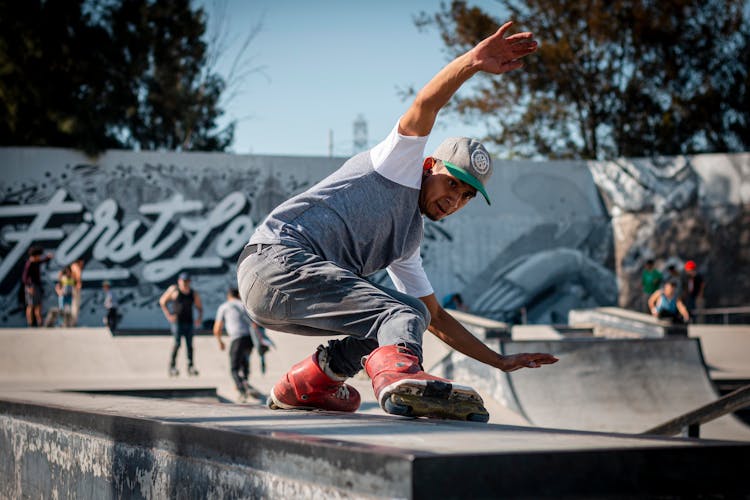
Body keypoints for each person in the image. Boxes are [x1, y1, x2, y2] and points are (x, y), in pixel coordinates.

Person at [237, 21, 558, 421]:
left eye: (465, 197)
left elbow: (437, 318)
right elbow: (427, 103)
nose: (453, 201)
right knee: (400, 316)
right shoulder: (398, 163)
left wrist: (498, 361)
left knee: (410, 315)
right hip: (277, 261)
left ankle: (311, 381)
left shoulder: (407, 240)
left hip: (282, 295)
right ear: (429, 167)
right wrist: (473, 63)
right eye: (450, 185)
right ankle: (398, 378)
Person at [213, 288, 264, 402]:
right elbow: (255, 323)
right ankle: (244, 381)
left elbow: (217, 328)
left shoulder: (225, 306)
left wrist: (220, 341)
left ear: (229, 296)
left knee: (234, 368)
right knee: (244, 361)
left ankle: (242, 390)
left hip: (237, 339)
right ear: (239, 296)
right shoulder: (245, 305)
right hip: (249, 339)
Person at [159, 272, 203, 377]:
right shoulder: (174, 290)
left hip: (189, 322)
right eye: (183, 281)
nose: (185, 284)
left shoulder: (193, 293)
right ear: (179, 281)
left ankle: (190, 366)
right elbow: (162, 301)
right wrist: (168, 315)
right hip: (177, 322)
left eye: (187, 281)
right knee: (177, 343)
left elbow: (199, 307)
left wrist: (199, 318)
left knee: (190, 345)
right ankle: (172, 366)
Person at [21, 246, 54, 326]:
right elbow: (24, 278)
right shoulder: (29, 264)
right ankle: (30, 323)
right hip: (31, 286)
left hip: (37, 286)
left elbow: (43, 260)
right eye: (38, 256)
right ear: (34, 256)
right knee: (31, 305)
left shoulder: (36, 262)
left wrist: (48, 258)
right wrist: (29, 287)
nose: (39, 257)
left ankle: (40, 322)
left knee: (38, 305)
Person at [69, 258, 85, 326]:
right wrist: (79, 283)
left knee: (73, 305)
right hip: (75, 287)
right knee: (76, 305)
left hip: (72, 287)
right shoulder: (76, 267)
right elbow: (78, 276)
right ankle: (73, 322)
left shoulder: (72, 266)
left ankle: (72, 321)